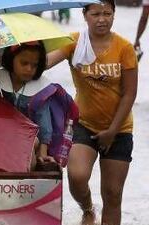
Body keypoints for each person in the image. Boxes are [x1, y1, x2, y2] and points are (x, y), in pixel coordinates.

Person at [47, 1, 138, 224]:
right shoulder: (75, 42)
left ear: (114, 16)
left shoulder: (124, 48)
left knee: (113, 195)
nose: (102, 19)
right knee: (76, 177)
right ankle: (88, 208)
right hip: (83, 123)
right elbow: (45, 62)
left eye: (107, 13)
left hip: (119, 129)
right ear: (85, 15)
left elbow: (129, 94)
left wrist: (113, 130)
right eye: (96, 13)